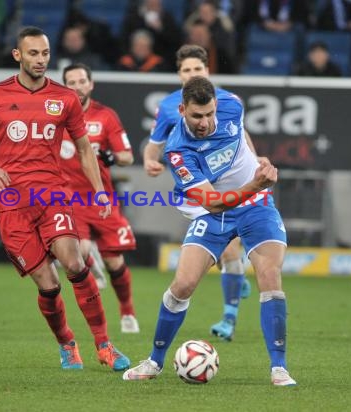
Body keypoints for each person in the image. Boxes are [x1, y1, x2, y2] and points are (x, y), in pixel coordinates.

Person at [0, 26, 130, 371]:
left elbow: (85, 149)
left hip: (52, 195)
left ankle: (105, 345)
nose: (40, 60)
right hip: (11, 203)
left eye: (44, 54)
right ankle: (67, 344)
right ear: (18, 55)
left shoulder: (65, 98)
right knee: (49, 284)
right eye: (33, 54)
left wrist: (100, 192)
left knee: (74, 264)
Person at [123, 76, 296, 386]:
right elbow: (214, 203)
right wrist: (255, 182)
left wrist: (256, 160)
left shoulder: (233, 106)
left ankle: (279, 367)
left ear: (217, 105)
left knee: (270, 276)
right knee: (183, 284)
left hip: (257, 205)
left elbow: (241, 132)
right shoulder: (178, 151)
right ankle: (154, 361)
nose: (204, 122)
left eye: (209, 114)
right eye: (196, 116)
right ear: (182, 110)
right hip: (215, 210)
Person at [143, 44, 252, 342]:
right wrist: (149, 160)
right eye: (187, 70)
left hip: (229, 183)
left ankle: (229, 317)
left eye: (198, 69)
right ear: (179, 74)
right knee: (225, 251)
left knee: (231, 249)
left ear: (207, 71)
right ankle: (235, 274)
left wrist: (255, 165)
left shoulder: (226, 102)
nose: (192, 74)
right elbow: (155, 143)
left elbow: (241, 138)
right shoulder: (167, 107)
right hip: (196, 186)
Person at [61, 63, 139, 333]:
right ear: (64, 87)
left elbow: (128, 157)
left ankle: (127, 311)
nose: (77, 86)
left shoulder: (106, 116)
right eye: (71, 82)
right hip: (69, 199)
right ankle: (90, 262)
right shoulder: (56, 118)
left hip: (101, 199)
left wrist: (111, 157)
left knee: (115, 263)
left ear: (90, 84)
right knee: (78, 252)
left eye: (82, 81)